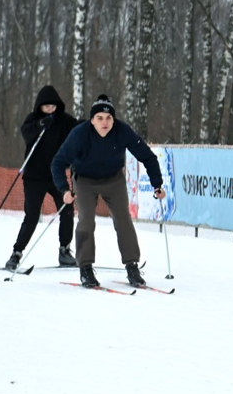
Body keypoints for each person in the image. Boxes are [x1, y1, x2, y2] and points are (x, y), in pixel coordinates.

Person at [51, 94, 166, 288]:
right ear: (92, 120)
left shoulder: (122, 131)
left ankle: (132, 266)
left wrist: (157, 184)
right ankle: (85, 268)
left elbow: (147, 156)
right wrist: (64, 190)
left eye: (109, 118)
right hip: (85, 180)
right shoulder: (80, 134)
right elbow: (58, 162)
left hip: (113, 179)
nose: (104, 122)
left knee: (123, 219)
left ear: (114, 119)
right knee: (86, 220)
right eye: (99, 118)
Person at [5, 85, 79, 270]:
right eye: (46, 107)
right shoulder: (33, 119)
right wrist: (40, 125)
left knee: (67, 209)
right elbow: (26, 133)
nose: (50, 110)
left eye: (53, 107)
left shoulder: (63, 120)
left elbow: (79, 129)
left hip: (56, 176)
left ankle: (64, 250)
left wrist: (91, 122)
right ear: (39, 107)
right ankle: (16, 254)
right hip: (34, 177)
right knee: (32, 215)